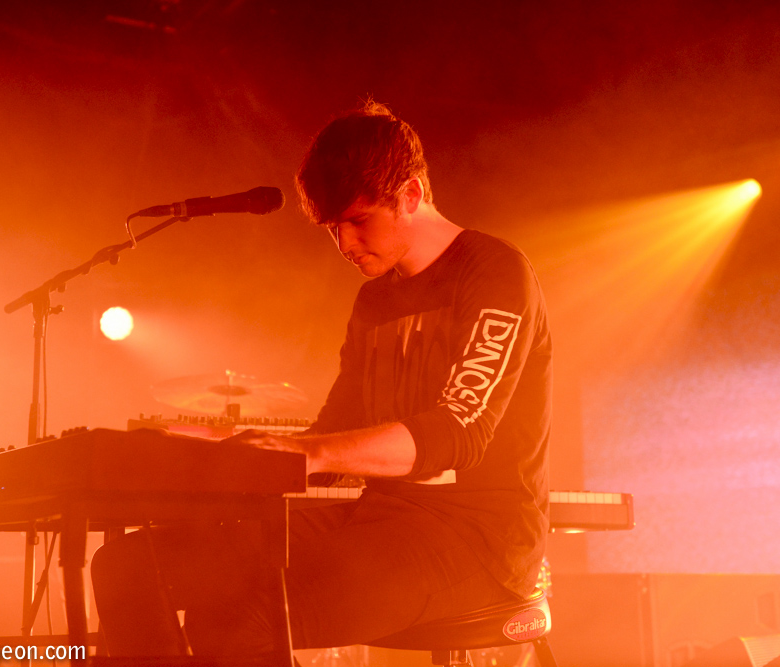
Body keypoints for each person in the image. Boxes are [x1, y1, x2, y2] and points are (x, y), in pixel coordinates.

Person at [91, 100, 551, 657]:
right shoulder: (373, 301)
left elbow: (459, 434)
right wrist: (206, 444)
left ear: (410, 195)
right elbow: (335, 430)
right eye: (333, 228)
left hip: (479, 541)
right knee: (128, 565)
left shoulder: (495, 272)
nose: (345, 245)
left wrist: (303, 451)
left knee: (246, 617)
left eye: (358, 220)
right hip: (380, 521)